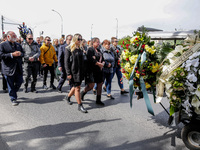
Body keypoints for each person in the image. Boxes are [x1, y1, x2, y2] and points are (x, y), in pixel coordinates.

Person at [64, 33, 87, 113]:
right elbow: (66, 62)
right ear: (75, 39)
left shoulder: (80, 48)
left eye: (81, 39)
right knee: (77, 88)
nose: (80, 41)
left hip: (80, 71)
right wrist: (68, 73)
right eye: (79, 39)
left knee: (76, 86)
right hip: (73, 71)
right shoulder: (69, 48)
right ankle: (80, 105)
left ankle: (67, 97)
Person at [0, 31, 24, 106]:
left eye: (15, 35)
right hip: (8, 68)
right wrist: (11, 55)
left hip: (18, 68)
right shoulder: (2, 45)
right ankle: (13, 98)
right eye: (13, 35)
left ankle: (13, 91)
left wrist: (20, 54)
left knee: (20, 82)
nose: (14, 36)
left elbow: (23, 53)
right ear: (8, 37)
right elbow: (1, 55)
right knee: (10, 84)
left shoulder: (18, 45)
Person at [81, 37, 105, 106]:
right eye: (97, 42)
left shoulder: (98, 50)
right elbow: (91, 59)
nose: (98, 43)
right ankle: (82, 93)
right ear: (93, 42)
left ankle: (98, 100)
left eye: (99, 42)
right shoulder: (90, 50)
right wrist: (98, 63)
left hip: (99, 70)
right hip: (92, 70)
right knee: (91, 85)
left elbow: (102, 58)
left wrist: (102, 63)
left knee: (100, 84)